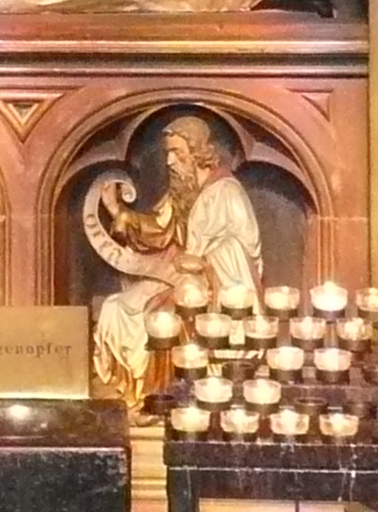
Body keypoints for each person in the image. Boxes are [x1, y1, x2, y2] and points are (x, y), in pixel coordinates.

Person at [88, 110, 264, 402]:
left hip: (216, 287)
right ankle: (130, 395)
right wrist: (119, 213)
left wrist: (205, 264)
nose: (169, 161)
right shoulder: (183, 192)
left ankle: (164, 396)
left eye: (176, 153)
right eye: (168, 154)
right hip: (180, 278)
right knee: (114, 308)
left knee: (158, 317)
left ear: (197, 152)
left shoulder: (227, 192)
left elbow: (245, 248)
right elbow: (159, 228)